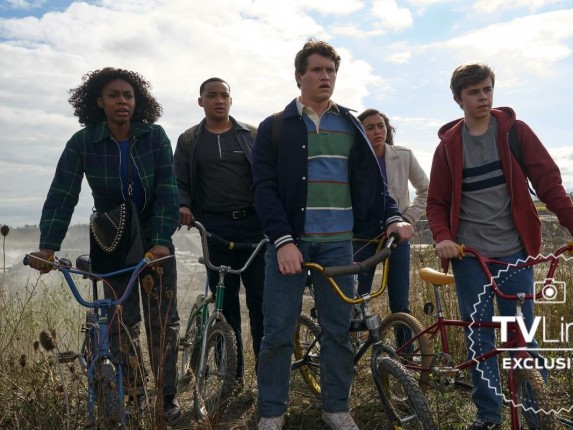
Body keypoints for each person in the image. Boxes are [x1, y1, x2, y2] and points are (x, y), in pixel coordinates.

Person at [252, 39, 414, 430]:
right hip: (289, 245)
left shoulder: (350, 124)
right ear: (299, 76)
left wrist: (393, 216)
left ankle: (336, 407)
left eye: (331, 70)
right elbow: (263, 189)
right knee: (277, 332)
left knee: (339, 332)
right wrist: (283, 241)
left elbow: (373, 183)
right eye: (317, 70)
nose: (325, 76)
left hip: (340, 246)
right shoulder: (275, 126)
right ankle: (271, 411)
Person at [426, 63, 573, 430]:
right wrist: (443, 238)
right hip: (470, 256)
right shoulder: (449, 146)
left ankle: (538, 418)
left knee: (521, 336)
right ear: (458, 99)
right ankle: (488, 416)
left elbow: (549, 183)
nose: (483, 97)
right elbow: (436, 202)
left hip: (515, 253)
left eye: (487, 89)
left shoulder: (515, 133)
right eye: (474, 92)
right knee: (480, 336)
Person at [28, 67, 182, 423]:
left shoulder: (154, 136)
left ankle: (166, 397)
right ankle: (135, 395)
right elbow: (63, 193)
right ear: (99, 102)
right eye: (114, 95)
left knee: (163, 320)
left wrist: (161, 241)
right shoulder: (83, 142)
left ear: (137, 101)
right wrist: (48, 247)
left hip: (153, 235)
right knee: (119, 321)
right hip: (112, 235)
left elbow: (167, 190)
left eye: (128, 95)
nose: (122, 101)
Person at [174, 77, 265, 382]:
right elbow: (179, 181)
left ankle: (266, 375)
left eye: (224, 95)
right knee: (225, 303)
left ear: (231, 100)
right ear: (201, 101)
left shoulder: (252, 135)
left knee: (260, 302)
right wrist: (183, 204)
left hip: (254, 227)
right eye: (212, 95)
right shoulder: (189, 140)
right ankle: (231, 376)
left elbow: (269, 176)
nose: (219, 100)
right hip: (213, 228)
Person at [354, 109, 428, 326]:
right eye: (370, 128)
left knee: (401, 303)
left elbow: (426, 190)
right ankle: (355, 345)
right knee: (357, 299)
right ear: (360, 132)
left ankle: (405, 346)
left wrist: (407, 219)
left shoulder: (403, 155)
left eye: (381, 126)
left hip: (397, 237)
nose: (377, 131)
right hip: (363, 237)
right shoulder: (353, 160)